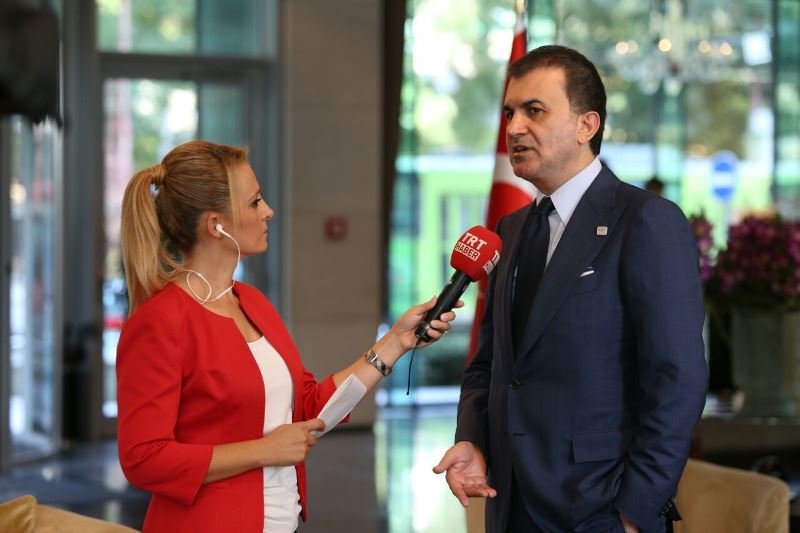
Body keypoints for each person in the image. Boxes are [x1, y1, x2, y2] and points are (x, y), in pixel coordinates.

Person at [116, 140, 458, 533]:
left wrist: (395, 342)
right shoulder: (161, 321)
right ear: (216, 225)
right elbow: (143, 459)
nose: (268, 211)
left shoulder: (253, 302)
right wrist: (263, 451)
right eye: (254, 202)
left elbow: (308, 408)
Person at [433, 45, 708, 533]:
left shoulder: (646, 222)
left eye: (534, 111)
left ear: (587, 125)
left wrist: (635, 512)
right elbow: (490, 362)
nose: (514, 127)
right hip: (509, 503)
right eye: (510, 113)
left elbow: (677, 380)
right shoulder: (511, 228)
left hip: (599, 509)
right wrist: (472, 439)